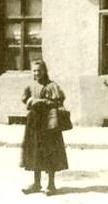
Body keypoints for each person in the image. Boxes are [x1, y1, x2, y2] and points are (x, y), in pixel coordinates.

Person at [20, 60, 68, 196]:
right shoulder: (30, 85)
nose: (36, 73)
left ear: (45, 71)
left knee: (49, 152)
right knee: (35, 151)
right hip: (34, 122)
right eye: (34, 70)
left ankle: (51, 185)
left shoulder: (52, 86)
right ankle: (36, 183)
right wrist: (30, 101)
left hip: (48, 123)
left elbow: (59, 101)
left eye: (39, 70)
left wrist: (43, 101)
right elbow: (24, 98)